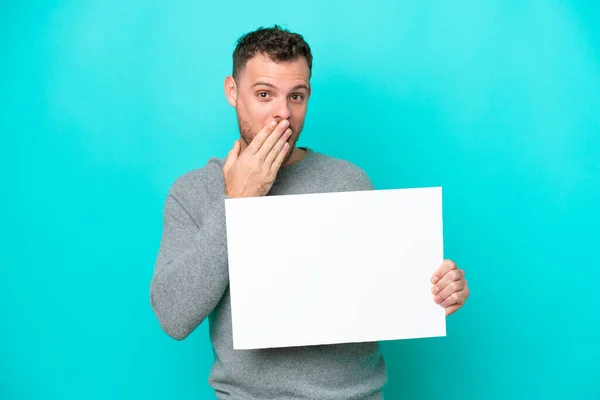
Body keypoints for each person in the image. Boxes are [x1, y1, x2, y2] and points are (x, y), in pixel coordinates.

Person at [150, 25, 470, 400]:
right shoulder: (193, 193)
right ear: (233, 92)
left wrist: (436, 293)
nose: (282, 114)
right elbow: (173, 316)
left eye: (296, 96)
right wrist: (236, 201)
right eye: (264, 94)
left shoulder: (349, 181)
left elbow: (375, 293)